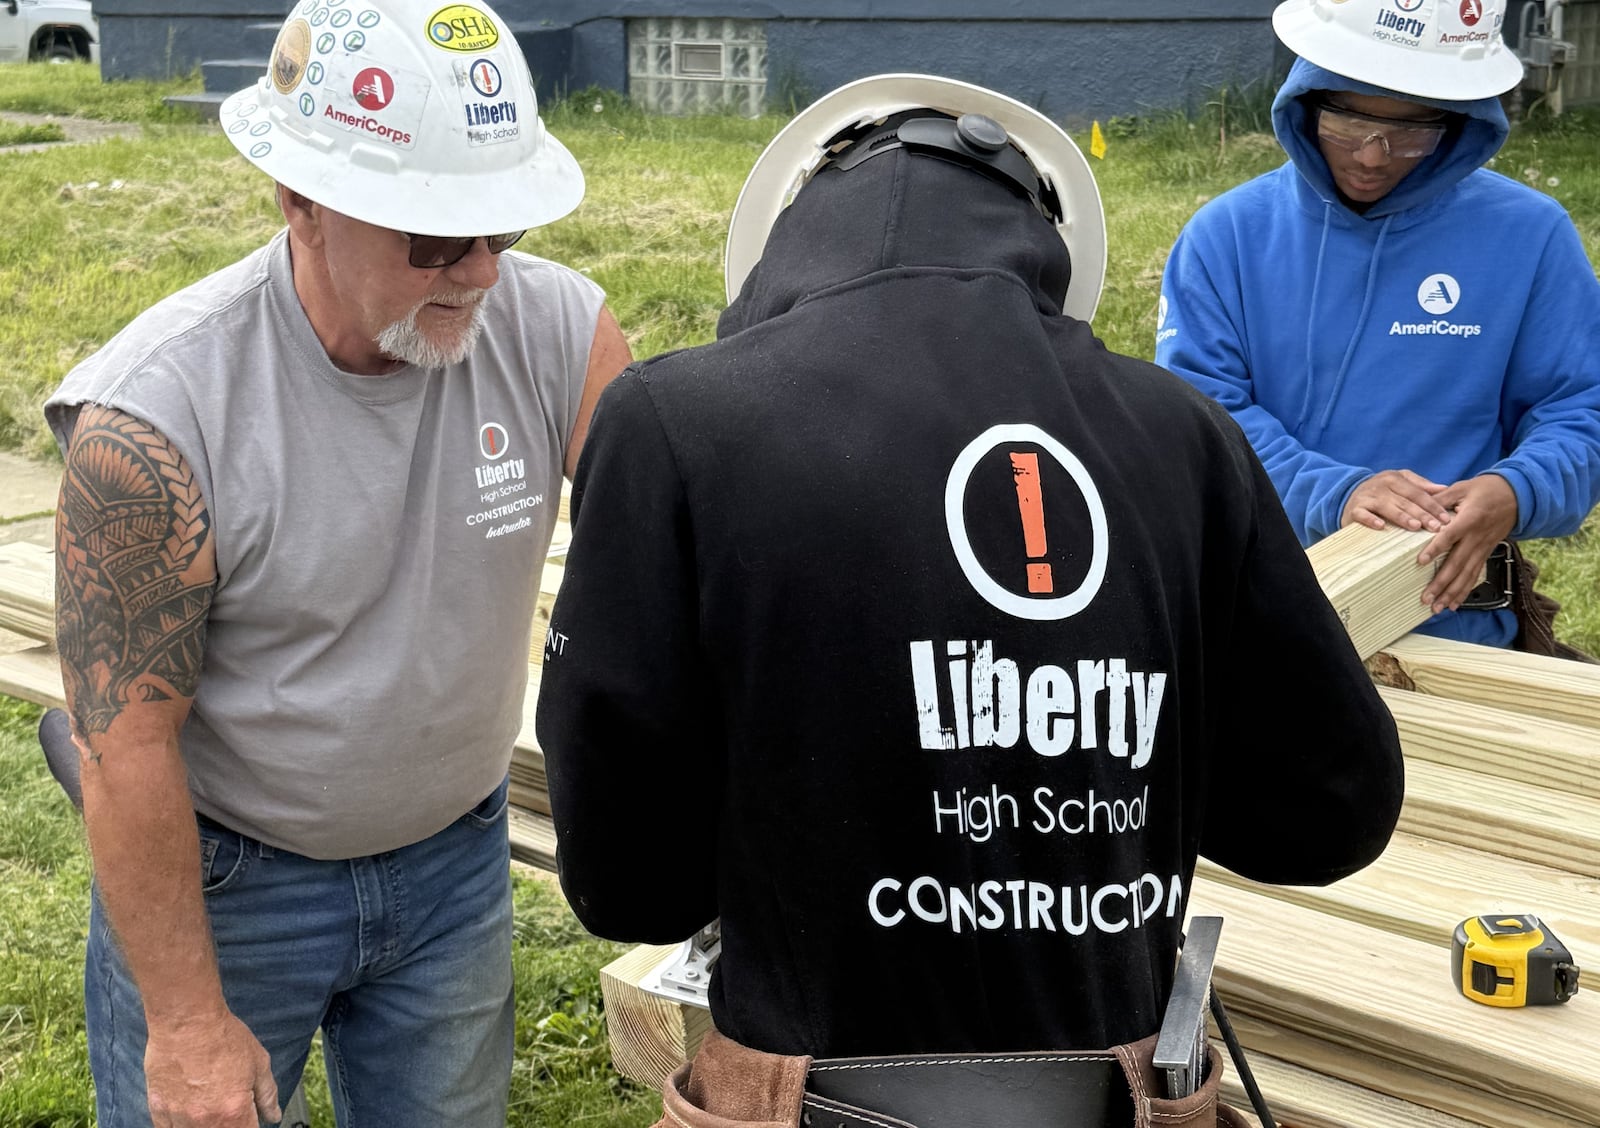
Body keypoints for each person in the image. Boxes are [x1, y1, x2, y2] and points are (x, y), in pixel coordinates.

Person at [536, 73, 1404, 1128]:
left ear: (791, 244)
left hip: (806, 1099)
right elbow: (1329, 813)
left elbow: (630, 884)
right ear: (1044, 242)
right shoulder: (1187, 437)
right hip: (1117, 1097)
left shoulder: (673, 421)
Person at [43, 0, 631, 1123]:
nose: (478, 276)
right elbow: (126, 748)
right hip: (230, 883)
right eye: (434, 241)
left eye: (499, 234)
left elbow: (669, 576)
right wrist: (187, 1025)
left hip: (457, 866)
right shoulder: (160, 417)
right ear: (300, 199)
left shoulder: (563, 332)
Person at [1157, 0, 1600, 655]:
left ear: (1460, 123)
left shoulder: (1530, 237)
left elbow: (1580, 409)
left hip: (1460, 635)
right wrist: (1336, 492)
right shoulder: (1227, 238)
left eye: (1411, 133)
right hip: (1258, 628)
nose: (1371, 156)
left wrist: (1518, 488)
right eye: (1345, 121)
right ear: (1306, 98)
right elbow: (1194, 417)